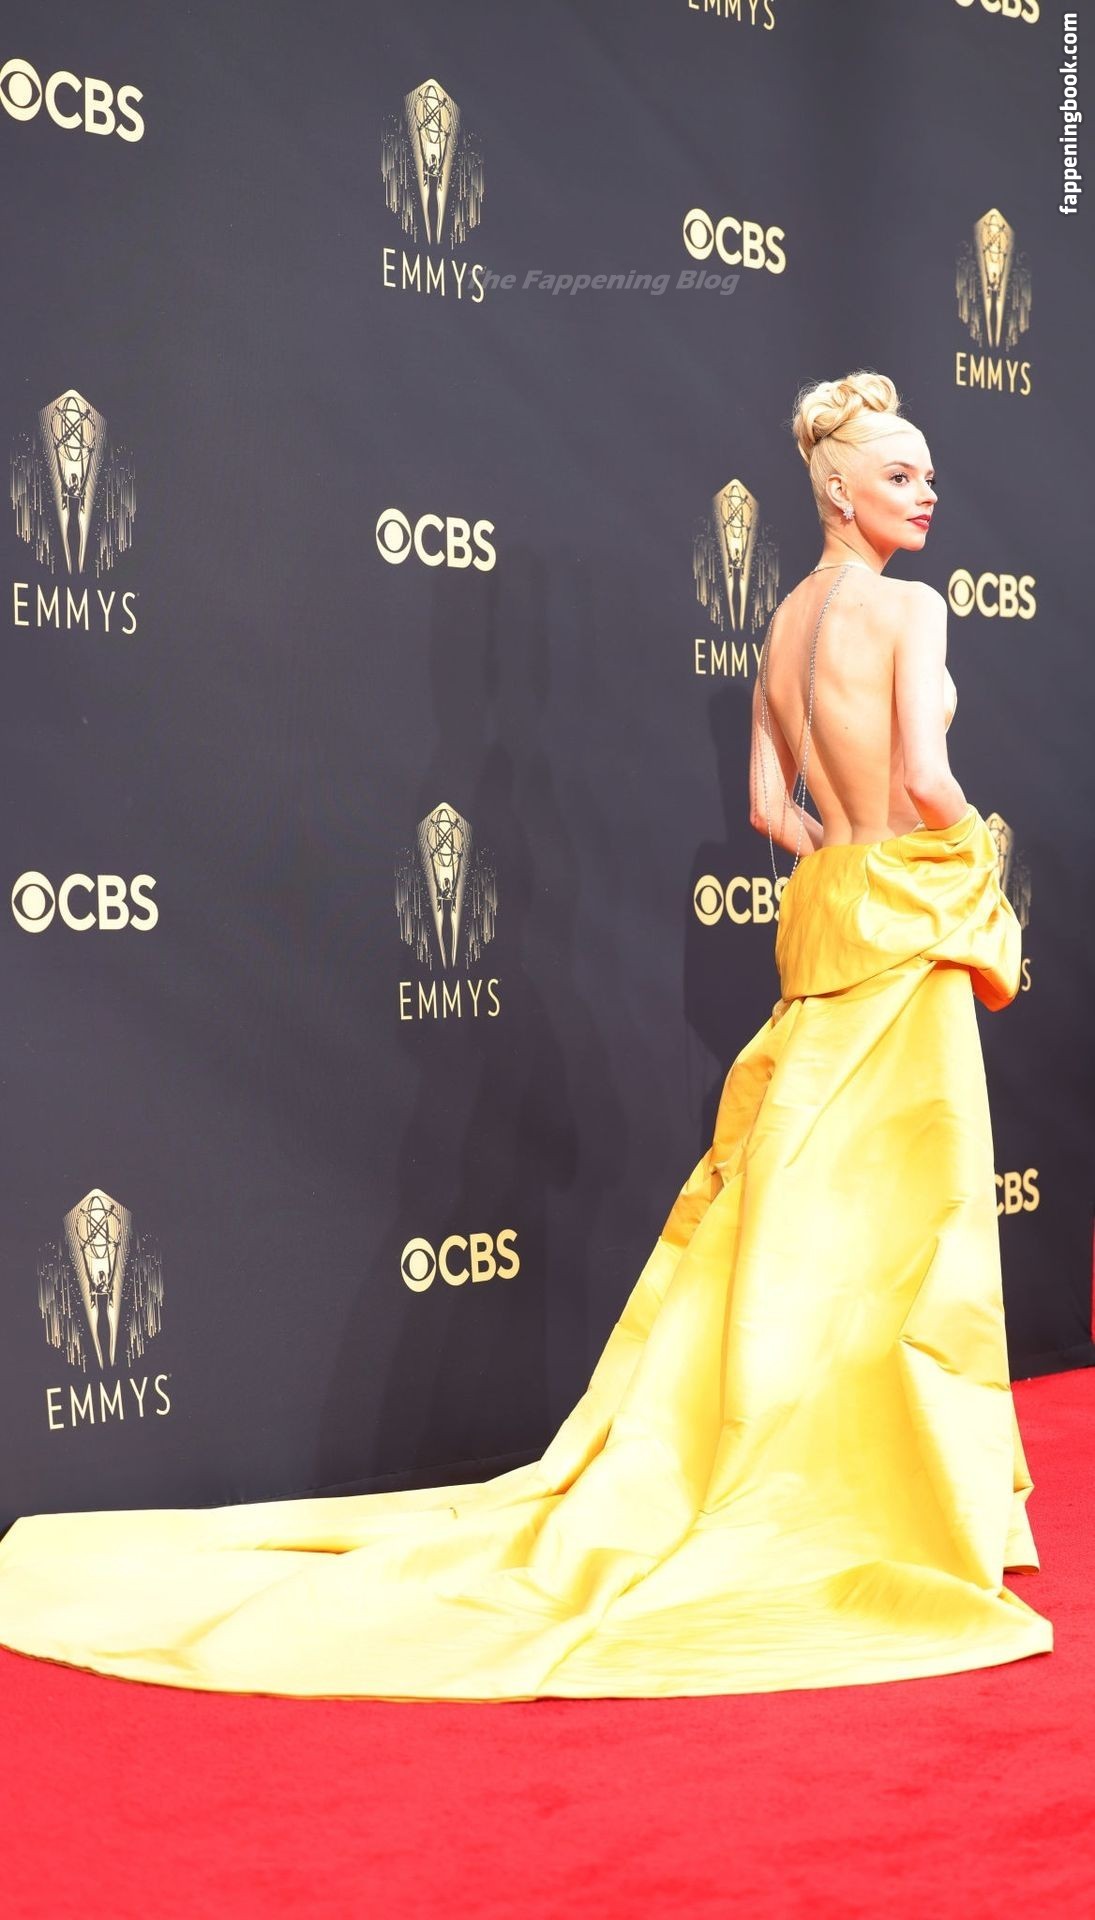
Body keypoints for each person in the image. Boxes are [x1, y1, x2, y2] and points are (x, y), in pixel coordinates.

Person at [0, 371, 1051, 1699]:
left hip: (831, 920)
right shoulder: (910, 610)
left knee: (800, 1230)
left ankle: (801, 1480)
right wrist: (966, 862)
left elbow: (767, 812)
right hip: (903, 931)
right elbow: (926, 779)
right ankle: (885, 1499)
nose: (927, 492)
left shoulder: (784, 624)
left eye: (929, 474)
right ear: (841, 490)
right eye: (902, 474)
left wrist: (848, 861)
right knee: (908, 1232)